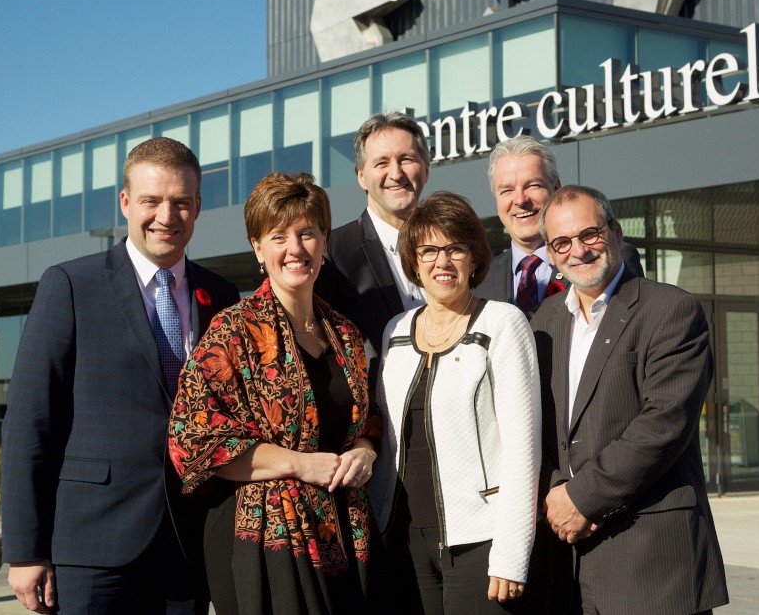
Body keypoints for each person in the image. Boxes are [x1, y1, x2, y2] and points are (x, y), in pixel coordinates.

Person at [0, 137, 240, 614]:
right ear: (126, 202)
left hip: (189, 543)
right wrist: (26, 551)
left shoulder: (222, 296)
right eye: (152, 201)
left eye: (181, 202)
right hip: (94, 547)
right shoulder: (71, 285)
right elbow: (29, 423)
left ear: (197, 207)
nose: (166, 216)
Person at [168, 172, 382, 615]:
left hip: (343, 530)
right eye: (279, 236)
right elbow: (192, 441)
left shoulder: (344, 333)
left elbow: (369, 418)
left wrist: (364, 449)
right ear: (258, 248)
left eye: (308, 233)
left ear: (324, 242)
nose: (295, 248)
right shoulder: (232, 331)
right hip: (260, 541)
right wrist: (301, 464)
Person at [531, 185, 728, 615]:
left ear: (616, 232)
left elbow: (663, 423)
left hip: (653, 560)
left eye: (589, 234)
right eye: (562, 242)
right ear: (550, 252)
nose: (578, 250)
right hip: (567, 562)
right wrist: (554, 493)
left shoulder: (671, 309)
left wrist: (582, 498)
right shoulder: (544, 321)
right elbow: (534, 425)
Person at [370, 191, 541, 614]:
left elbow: (523, 450)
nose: (441, 262)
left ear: (474, 257)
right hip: (404, 542)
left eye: (455, 249)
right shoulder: (395, 330)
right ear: (413, 262)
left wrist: (512, 553)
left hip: (480, 541)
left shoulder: (503, 322)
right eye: (428, 251)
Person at [314, 110, 431, 378]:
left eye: (406, 159)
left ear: (426, 168)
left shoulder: (454, 247)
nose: (396, 173)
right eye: (381, 163)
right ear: (361, 177)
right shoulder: (332, 253)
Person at [476, 136, 644, 316]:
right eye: (507, 190)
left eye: (533, 185)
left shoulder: (609, 255)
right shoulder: (480, 278)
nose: (520, 200)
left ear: (556, 189)